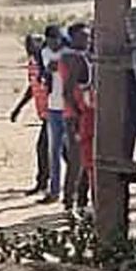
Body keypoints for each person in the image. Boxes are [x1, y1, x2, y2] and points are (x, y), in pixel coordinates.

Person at [61, 23, 96, 212]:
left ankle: (81, 201)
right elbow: (67, 92)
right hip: (77, 116)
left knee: (87, 161)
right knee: (77, 161)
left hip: (83, 114)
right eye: (83, 37)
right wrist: (77, 115)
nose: (87, 40)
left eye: (88, 37)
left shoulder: (82, 57)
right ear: (73, 38)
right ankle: (70, 202)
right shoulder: (73, 59)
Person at [10, 34, 51, 195]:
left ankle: (44, 183)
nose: (29, 47)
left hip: (55, 113)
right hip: (45, 114)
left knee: (44, 149)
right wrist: (19, 108)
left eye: (32, 44)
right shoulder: (32, 64)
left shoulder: (46, 63)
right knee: (58, 150)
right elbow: (32, 88)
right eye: (27, 44)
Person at [39, 24, 69, 204]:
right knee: (54, 151)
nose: (52, 43)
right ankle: (55, 190)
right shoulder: (45, 53)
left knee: (73, 151)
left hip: (70, 107)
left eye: (55, 39)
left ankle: (72, 191)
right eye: (49, 40)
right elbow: (48, 70)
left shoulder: (69, 52)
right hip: (53, 107)